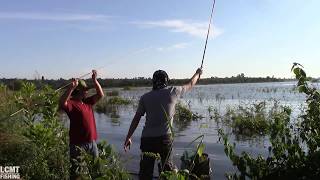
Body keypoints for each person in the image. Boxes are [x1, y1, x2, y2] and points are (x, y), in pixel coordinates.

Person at [123, 68, 203, 180]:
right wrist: (198, 74)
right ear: (166, 80)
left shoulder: (145, 98)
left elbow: (136, 118)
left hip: (147, 139)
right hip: (165, 140)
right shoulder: (173, 91)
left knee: (145, 173)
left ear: (153, 81)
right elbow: (190, 84)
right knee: (167, 172)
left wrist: (129, 136)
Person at [59, 70, 104, 180]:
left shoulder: (87, 102)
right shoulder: (71, 104)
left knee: (96, 171)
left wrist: (95, 80)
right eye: (85, 90)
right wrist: (71, 88)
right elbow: (61, 103)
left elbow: (100, 95)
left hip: (92, 143)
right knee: (76, 174)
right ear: (78, 91)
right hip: (78, 145)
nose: (87, 92)